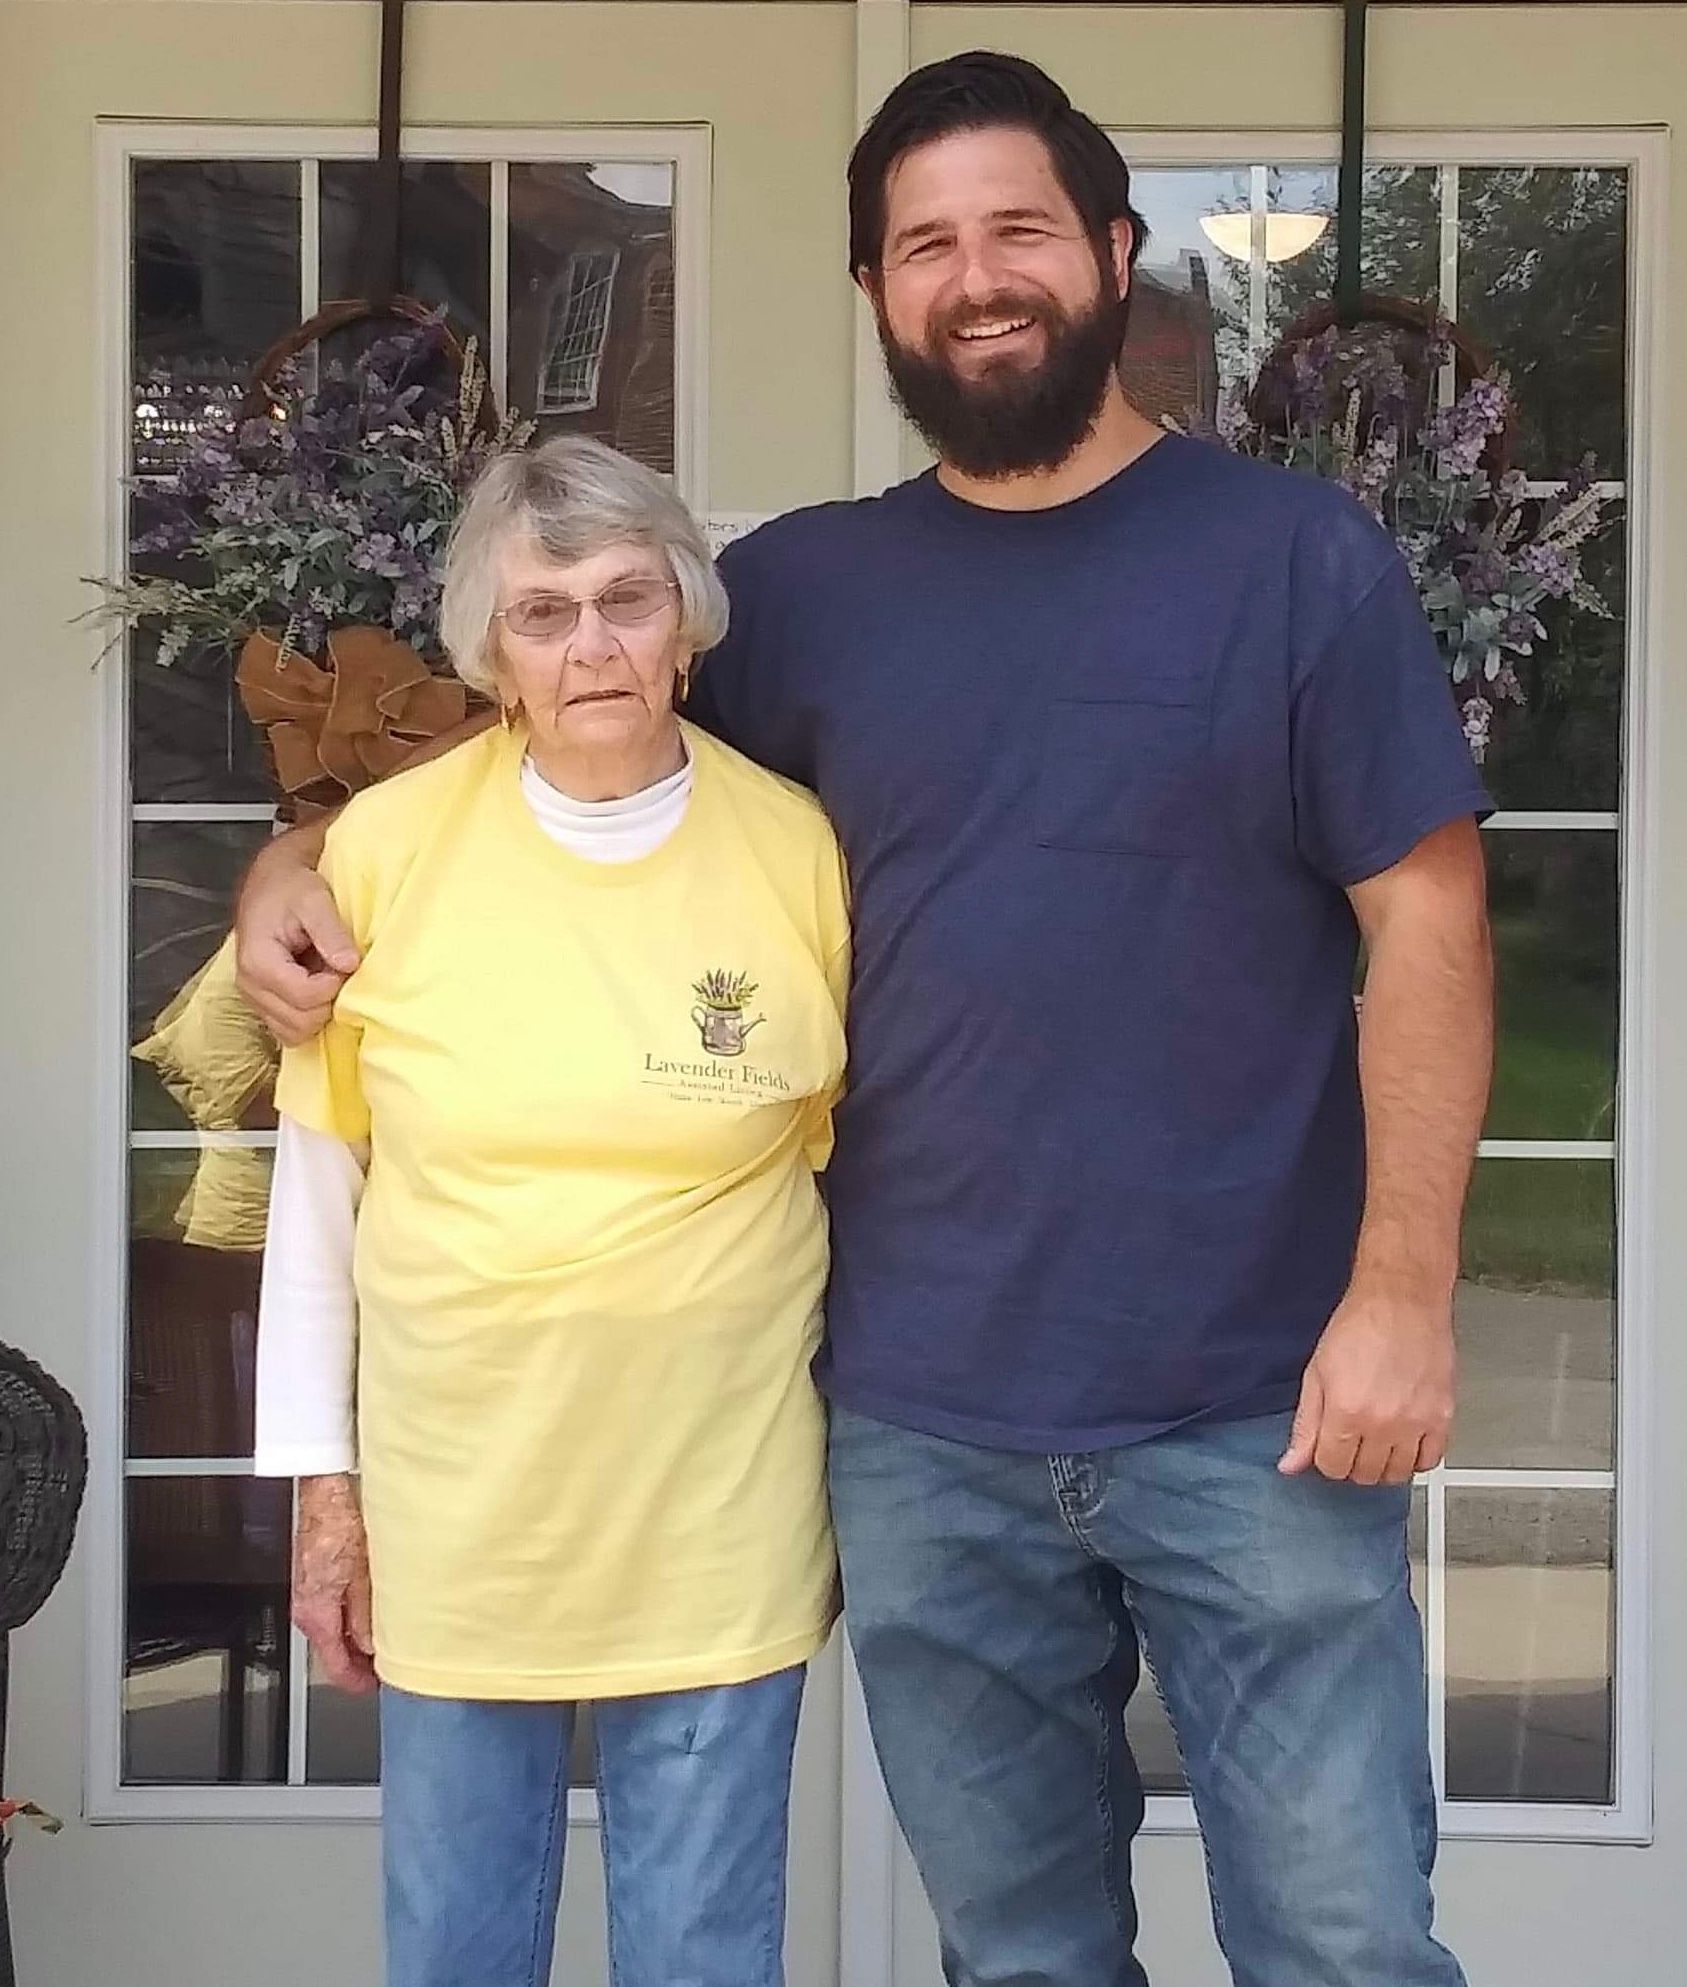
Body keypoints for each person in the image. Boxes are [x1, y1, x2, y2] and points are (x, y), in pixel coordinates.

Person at [239, 52, 1494, 1987]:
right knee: (1021, 1957)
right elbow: (552, 757)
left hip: (1261, 1404)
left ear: (1111, 255)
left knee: (1341, 1940)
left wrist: (1401, 1292)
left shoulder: (1291, 565)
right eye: (926, 245)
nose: (974, 277)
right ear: (875, 293)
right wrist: (298, 849)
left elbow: (1427, 924)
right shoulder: (800, 595)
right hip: (918, 1425)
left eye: (1016, 231)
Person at [250, 435, 850, 1987]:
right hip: (463, 1506)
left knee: (705, 1951)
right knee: (456, 1947)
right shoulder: (380, 854)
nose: (591, 646)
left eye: (626, 600)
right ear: (490, 654)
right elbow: (321, 1208)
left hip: (717, 1500)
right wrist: (326, 1496)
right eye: (542, 613)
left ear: (686, 623)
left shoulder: (796, 850)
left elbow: (846, 1166)